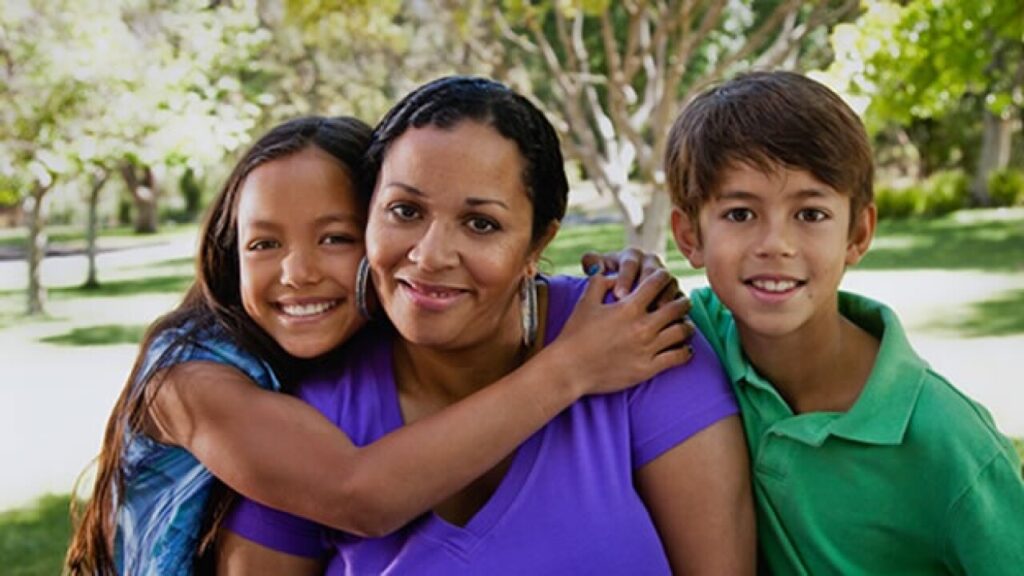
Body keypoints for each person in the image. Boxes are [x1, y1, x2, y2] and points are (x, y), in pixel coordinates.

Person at [64, 115, 698, 575]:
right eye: (264, 244)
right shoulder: (188, 380)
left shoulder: (361, 336)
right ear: (229, 253)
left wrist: (616, 279)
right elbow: (357, 495)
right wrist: (572, 366)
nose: (297, 272)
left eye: (334, 238)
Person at [219, 76, 754, 575]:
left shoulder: (640, 338)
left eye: (481, 224)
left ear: (538, 243)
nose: (430, 256)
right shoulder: (313, 416)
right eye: (405, 211)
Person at [666, 70, 1024, 574]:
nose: (776, 244)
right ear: (689, 236)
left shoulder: (949, 442)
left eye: (810, 214)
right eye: (741, 214)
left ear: (858, 233)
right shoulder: (693, 336)